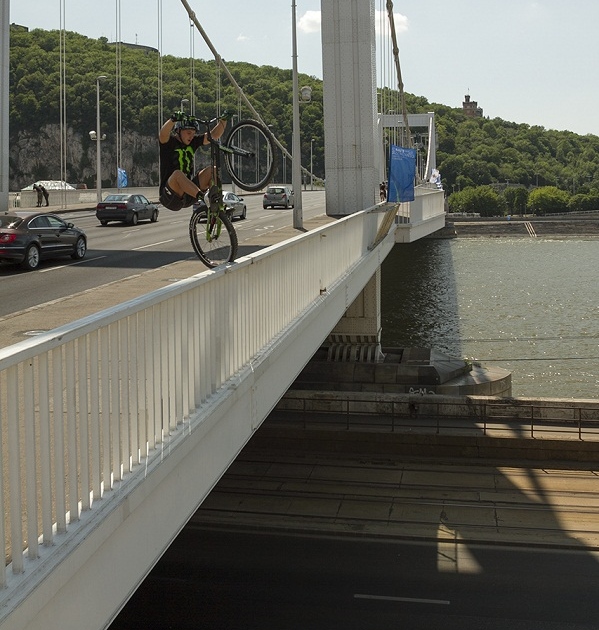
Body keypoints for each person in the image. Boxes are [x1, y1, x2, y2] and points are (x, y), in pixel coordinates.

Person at [158, 110, 232, 212]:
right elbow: (163, 134)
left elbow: (214, 135)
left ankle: (216, 205)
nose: (191, 136)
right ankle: (204, 198)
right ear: (178, 131)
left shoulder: (193, 141)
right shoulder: (169, 142)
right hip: (170, 196)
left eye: (193, 133)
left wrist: (224, 120)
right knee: (178, 174)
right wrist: (172, 120)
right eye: (188, 133)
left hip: (189, 194)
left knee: (212, 170)